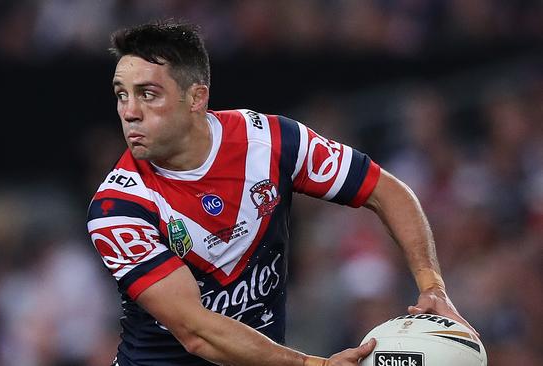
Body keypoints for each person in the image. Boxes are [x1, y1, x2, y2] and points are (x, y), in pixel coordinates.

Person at [86, 21, 478, 366]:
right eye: (122, 94)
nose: (129, 111)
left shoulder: (270, 141)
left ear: (196, 98)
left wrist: (432, 287)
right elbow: (196, 332)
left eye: (148, 94)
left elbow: (385, 190)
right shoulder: (118, 208)